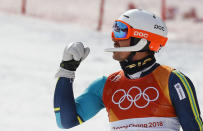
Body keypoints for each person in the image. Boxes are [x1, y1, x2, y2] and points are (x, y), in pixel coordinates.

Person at [53, 9, 203, 131]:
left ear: (142, 39)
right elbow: (65, 121)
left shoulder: (172, 80)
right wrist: (67, 69)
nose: (114, 38)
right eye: (114, 30)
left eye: (120, 31)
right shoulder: (106, 85)